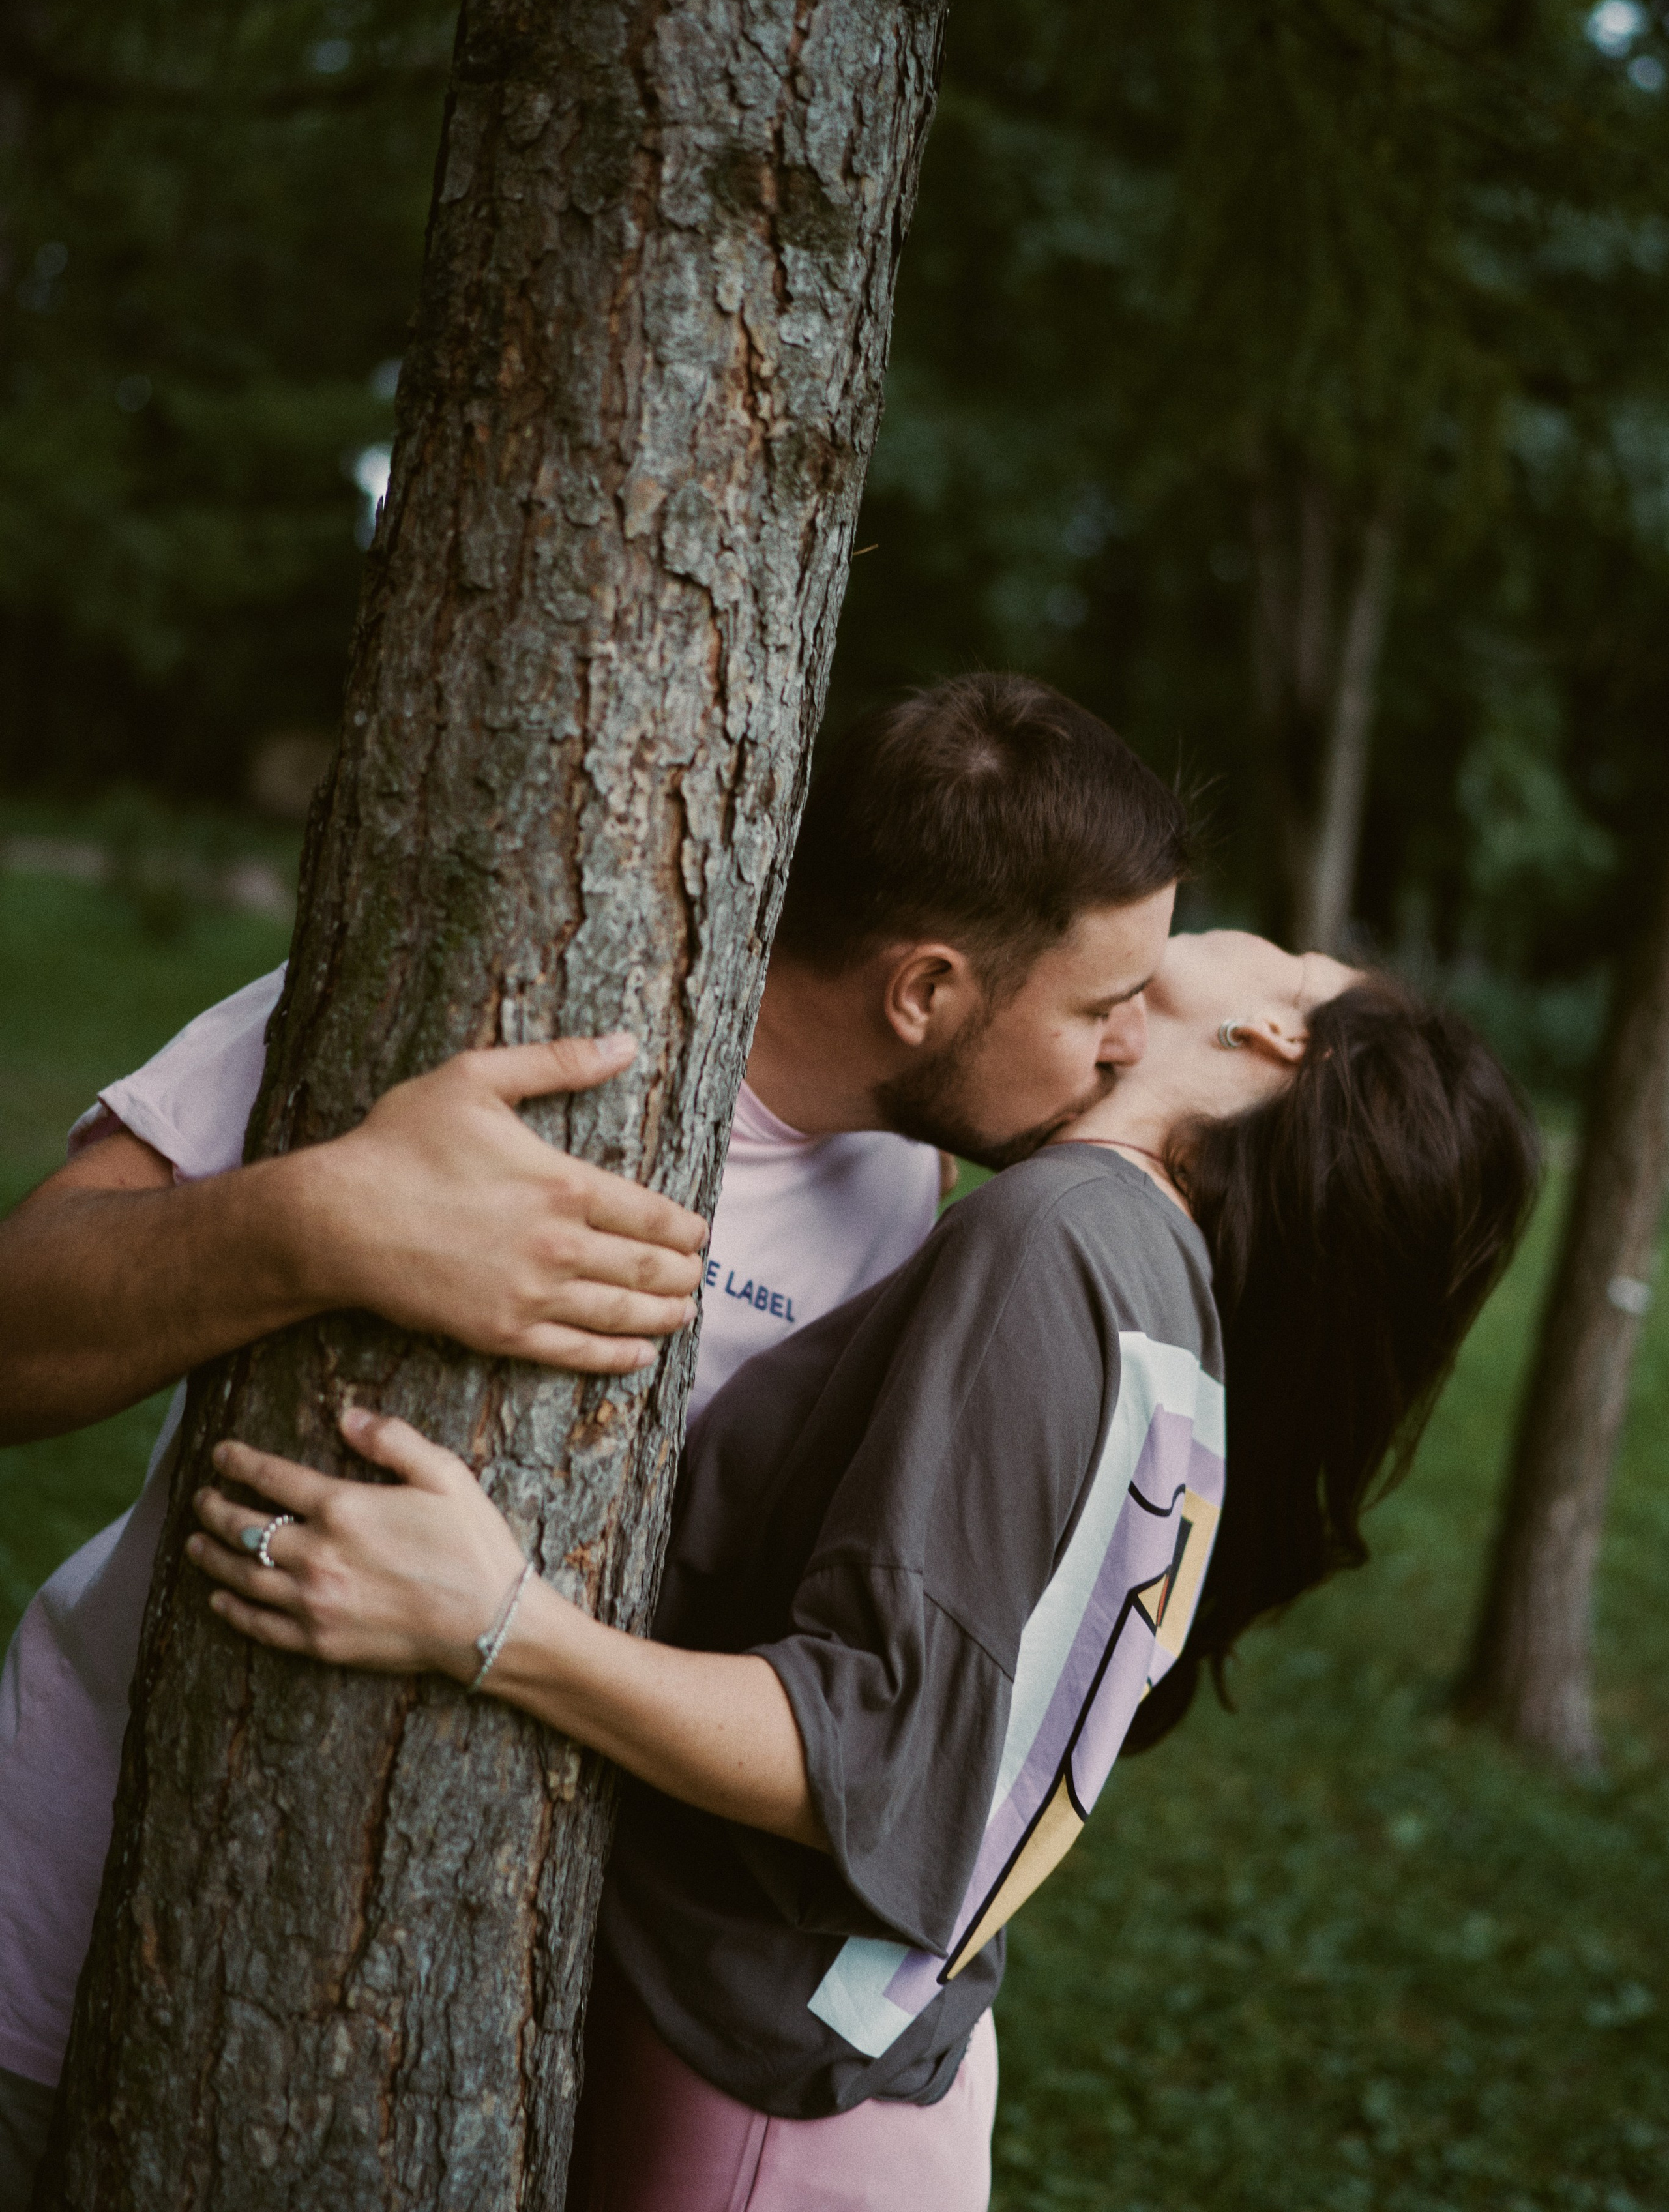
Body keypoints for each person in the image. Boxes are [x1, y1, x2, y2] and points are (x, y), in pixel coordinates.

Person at [0, 675, 1188, 2183]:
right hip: (57, 1923)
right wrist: (318, 1223)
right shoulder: (474, 1010)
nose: (1129, 1049)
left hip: (450, 2042)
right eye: (1099, 1005)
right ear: (924, 991)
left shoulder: (910, 1208)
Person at [178, 932, 1540, 2211]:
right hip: (845, 2077)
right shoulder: (1153, 1286)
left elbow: (884, 1771)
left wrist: (497, 1626)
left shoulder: (1064, 1235)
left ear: (1274, 1029)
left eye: (1294, 950)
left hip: (762, 2110)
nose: (1250, 930)